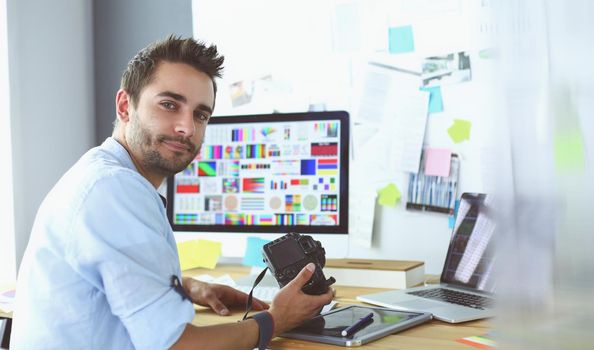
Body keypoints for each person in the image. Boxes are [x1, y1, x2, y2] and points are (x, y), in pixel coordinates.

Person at [10, 35, 333, 350]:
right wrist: (275, 320)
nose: (187, 128)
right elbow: (176, 346)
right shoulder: (115, 190)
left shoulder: (100, 173)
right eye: (169, 105)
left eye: (200, 114)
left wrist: (183, 286)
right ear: (125, 106)